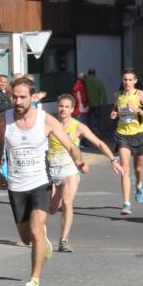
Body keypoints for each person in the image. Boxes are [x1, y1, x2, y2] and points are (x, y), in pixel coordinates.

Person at [0, 77, 88, 286]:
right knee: (26, 238)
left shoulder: (46, 120)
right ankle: (41, 241)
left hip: (40, 182)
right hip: (16, 185)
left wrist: (79, 161)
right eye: (14, 97)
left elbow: (70, 145)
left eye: (22, 97)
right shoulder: (2, 120)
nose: (17, 101)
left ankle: (34, 282)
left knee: (36, 229)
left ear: (32, 97)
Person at [48, 94, 124, 252]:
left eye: (67, 107)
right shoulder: (50, 123)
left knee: (68, 203)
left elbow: (98, 143)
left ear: (72, 109)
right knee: (52, 209)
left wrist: (113, 160)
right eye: (61, 106)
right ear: (57, 106)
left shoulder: (77, 127)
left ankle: (63, 240)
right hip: (52, 170)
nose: (63, 109)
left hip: (69, 170)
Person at [110, 68, 143, 215]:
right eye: (125, 79)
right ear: (122, 80)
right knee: (125, 169)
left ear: (135, 81)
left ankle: (139, 184)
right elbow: (115, 110)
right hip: (122, 134)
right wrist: (114, 114)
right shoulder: (118, 95)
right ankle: (126, 204)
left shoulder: (140, 94)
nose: (127, 82)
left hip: (139, 134)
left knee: (138, 169)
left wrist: (138, 110)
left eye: (130, 80)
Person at [84, 68, 107, 135]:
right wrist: (104, 102)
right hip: (96, 103)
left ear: (88, 73)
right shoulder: (98, 81)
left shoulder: (85, 81)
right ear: (94, 73)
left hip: (87, 104)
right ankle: (97, 132)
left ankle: (89, 132)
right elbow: (103, 93)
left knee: (88, 119)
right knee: (97, 119)